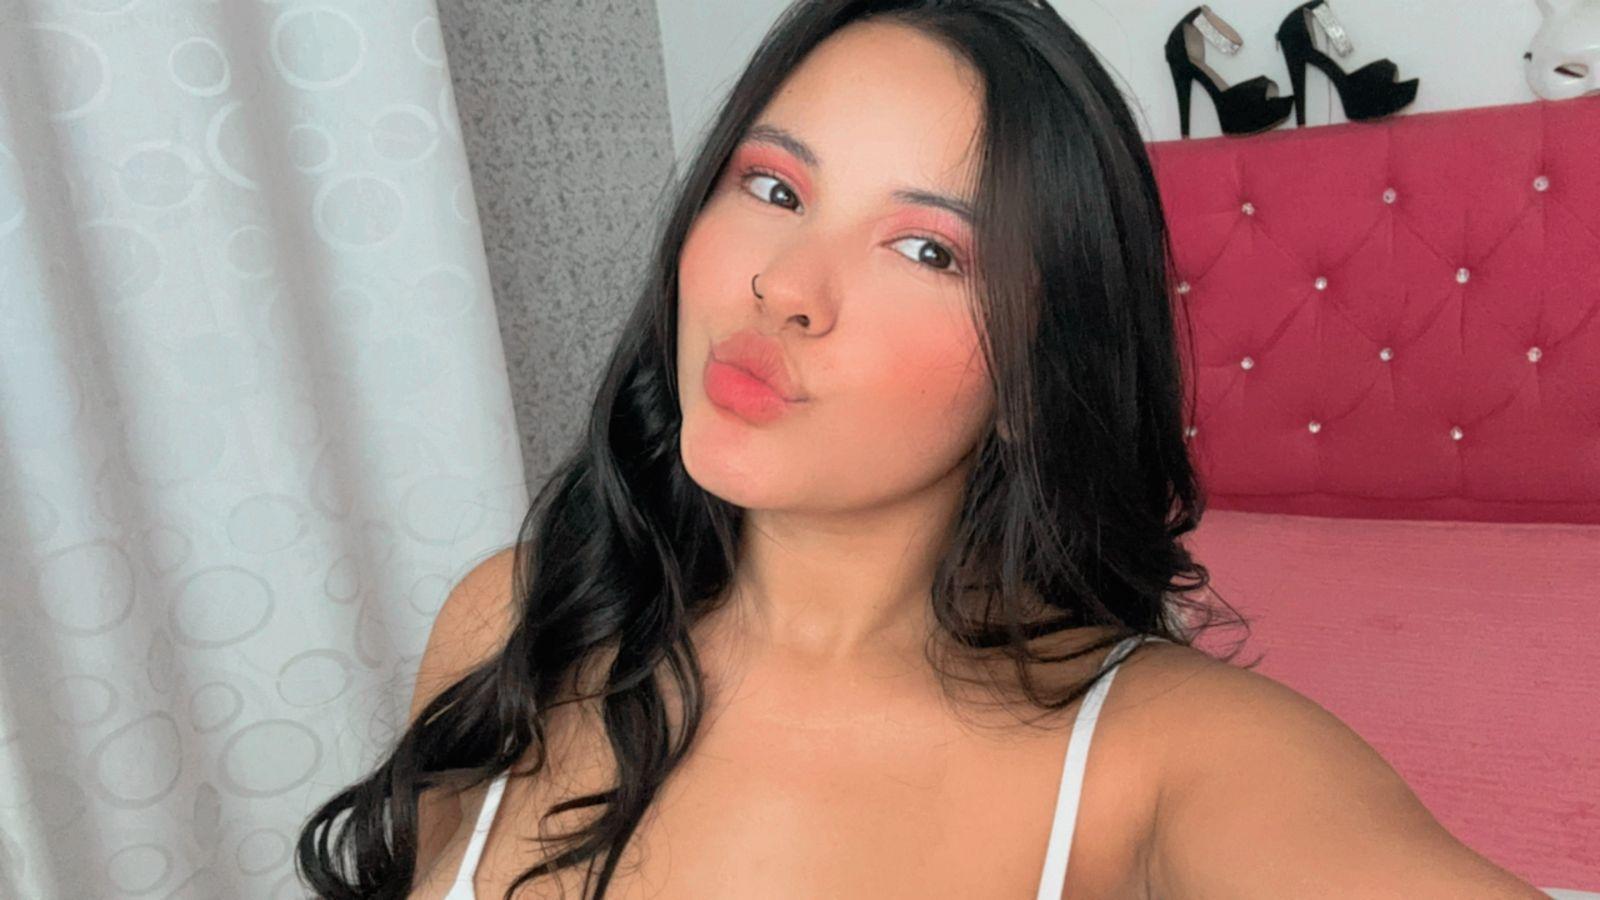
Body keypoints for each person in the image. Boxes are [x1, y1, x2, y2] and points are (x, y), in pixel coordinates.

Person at [296, 2, 1548, 898]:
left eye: (926, 249)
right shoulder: (516, 615)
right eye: (773, 189)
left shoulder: (1174, 758)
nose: (784, 287)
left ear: (1034, 376)